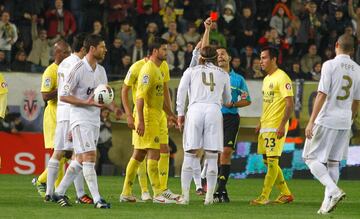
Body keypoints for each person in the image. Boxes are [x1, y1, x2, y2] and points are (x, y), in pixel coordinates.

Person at [54, 34, 122, 208]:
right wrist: (86, 102)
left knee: (80, 159)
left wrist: (115, 109)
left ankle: (59, 192)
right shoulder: (77, 68)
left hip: (93, 119)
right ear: (92, 49)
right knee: (90, 156)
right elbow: (64, 95)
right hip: (79, 119)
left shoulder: (101, 71)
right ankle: (98, 199)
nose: (105, 50)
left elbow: (104, 96)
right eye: (102, 46)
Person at [303, 34, 360, 214]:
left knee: (310, 158)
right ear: (352, 50)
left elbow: (322, 94)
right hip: (345, 120)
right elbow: (357, 101)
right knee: (334, 163)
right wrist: (350, 119)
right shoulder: (358, 69)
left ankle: (334, 191)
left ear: (337, 45)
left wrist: (311, 121)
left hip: (327, 118)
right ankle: (326, 205)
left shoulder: (329, 65)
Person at [120, 37, 178, 203]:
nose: (166, 52)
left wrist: (170, 114)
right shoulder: (143, 69)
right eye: (164, 49)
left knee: (147, 152)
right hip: (146, 114)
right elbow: (135, 95)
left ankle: (132, 192)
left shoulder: (162, 66)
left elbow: (163, 92)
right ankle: (156, 193)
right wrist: (132, 116)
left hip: (158, 114)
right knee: (151, 152)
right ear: (154, 51)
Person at [176, 46, 231, 205]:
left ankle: (185, 197)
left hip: (195, 110)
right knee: (212, 155)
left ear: (200, 57)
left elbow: (181, 92)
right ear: (215, 58)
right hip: (214, 110)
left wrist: (180, 114)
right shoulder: (223, 74)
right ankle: (208, 198)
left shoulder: (191, 71)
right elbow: (227, 100)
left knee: (190, 153)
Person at [44, 33, 93, 204]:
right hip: (72, 112)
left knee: (58, 152)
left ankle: (49, 192)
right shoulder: (79, 65)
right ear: (84, 48)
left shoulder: (63, 63)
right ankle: (79, 194)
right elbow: (72, 92)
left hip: (62, 113)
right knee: (78, 154)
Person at [250, 47, 294, 205]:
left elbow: (289, 103)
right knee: (267, 161)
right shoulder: (266, 79)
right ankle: (286, 193)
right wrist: (261, 122)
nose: (260, 61)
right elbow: (267, 104)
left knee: (273, 161)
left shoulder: (282, 77)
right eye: (260, 58)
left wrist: (282, 124)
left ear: (274, 59)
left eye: (264, 58)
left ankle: (264, 196)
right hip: (266, 125)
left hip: (276, 125)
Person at [32, 40, 71, 198]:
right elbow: (45, 95)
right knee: (60, 152)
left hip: (66, 113)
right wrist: (61, 89)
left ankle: (51, 187)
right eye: (65, 52)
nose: (68, 55)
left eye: (69, 52)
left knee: (66, 153)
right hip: (54, 115)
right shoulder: (50, 71)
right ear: (57, 53)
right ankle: (46, 184)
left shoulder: (68, 69)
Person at [213, 47, 251, 203]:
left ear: (229, 57)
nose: (220, 56)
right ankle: (222, 190)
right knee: (215, 155)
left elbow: (247, 100)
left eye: (222, 54)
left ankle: (220, 189)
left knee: (226, 151)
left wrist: (233, 103)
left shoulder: (238, 79)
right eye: (217, 55)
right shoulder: (211, 77)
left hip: (231, 119)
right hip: (214, 117)